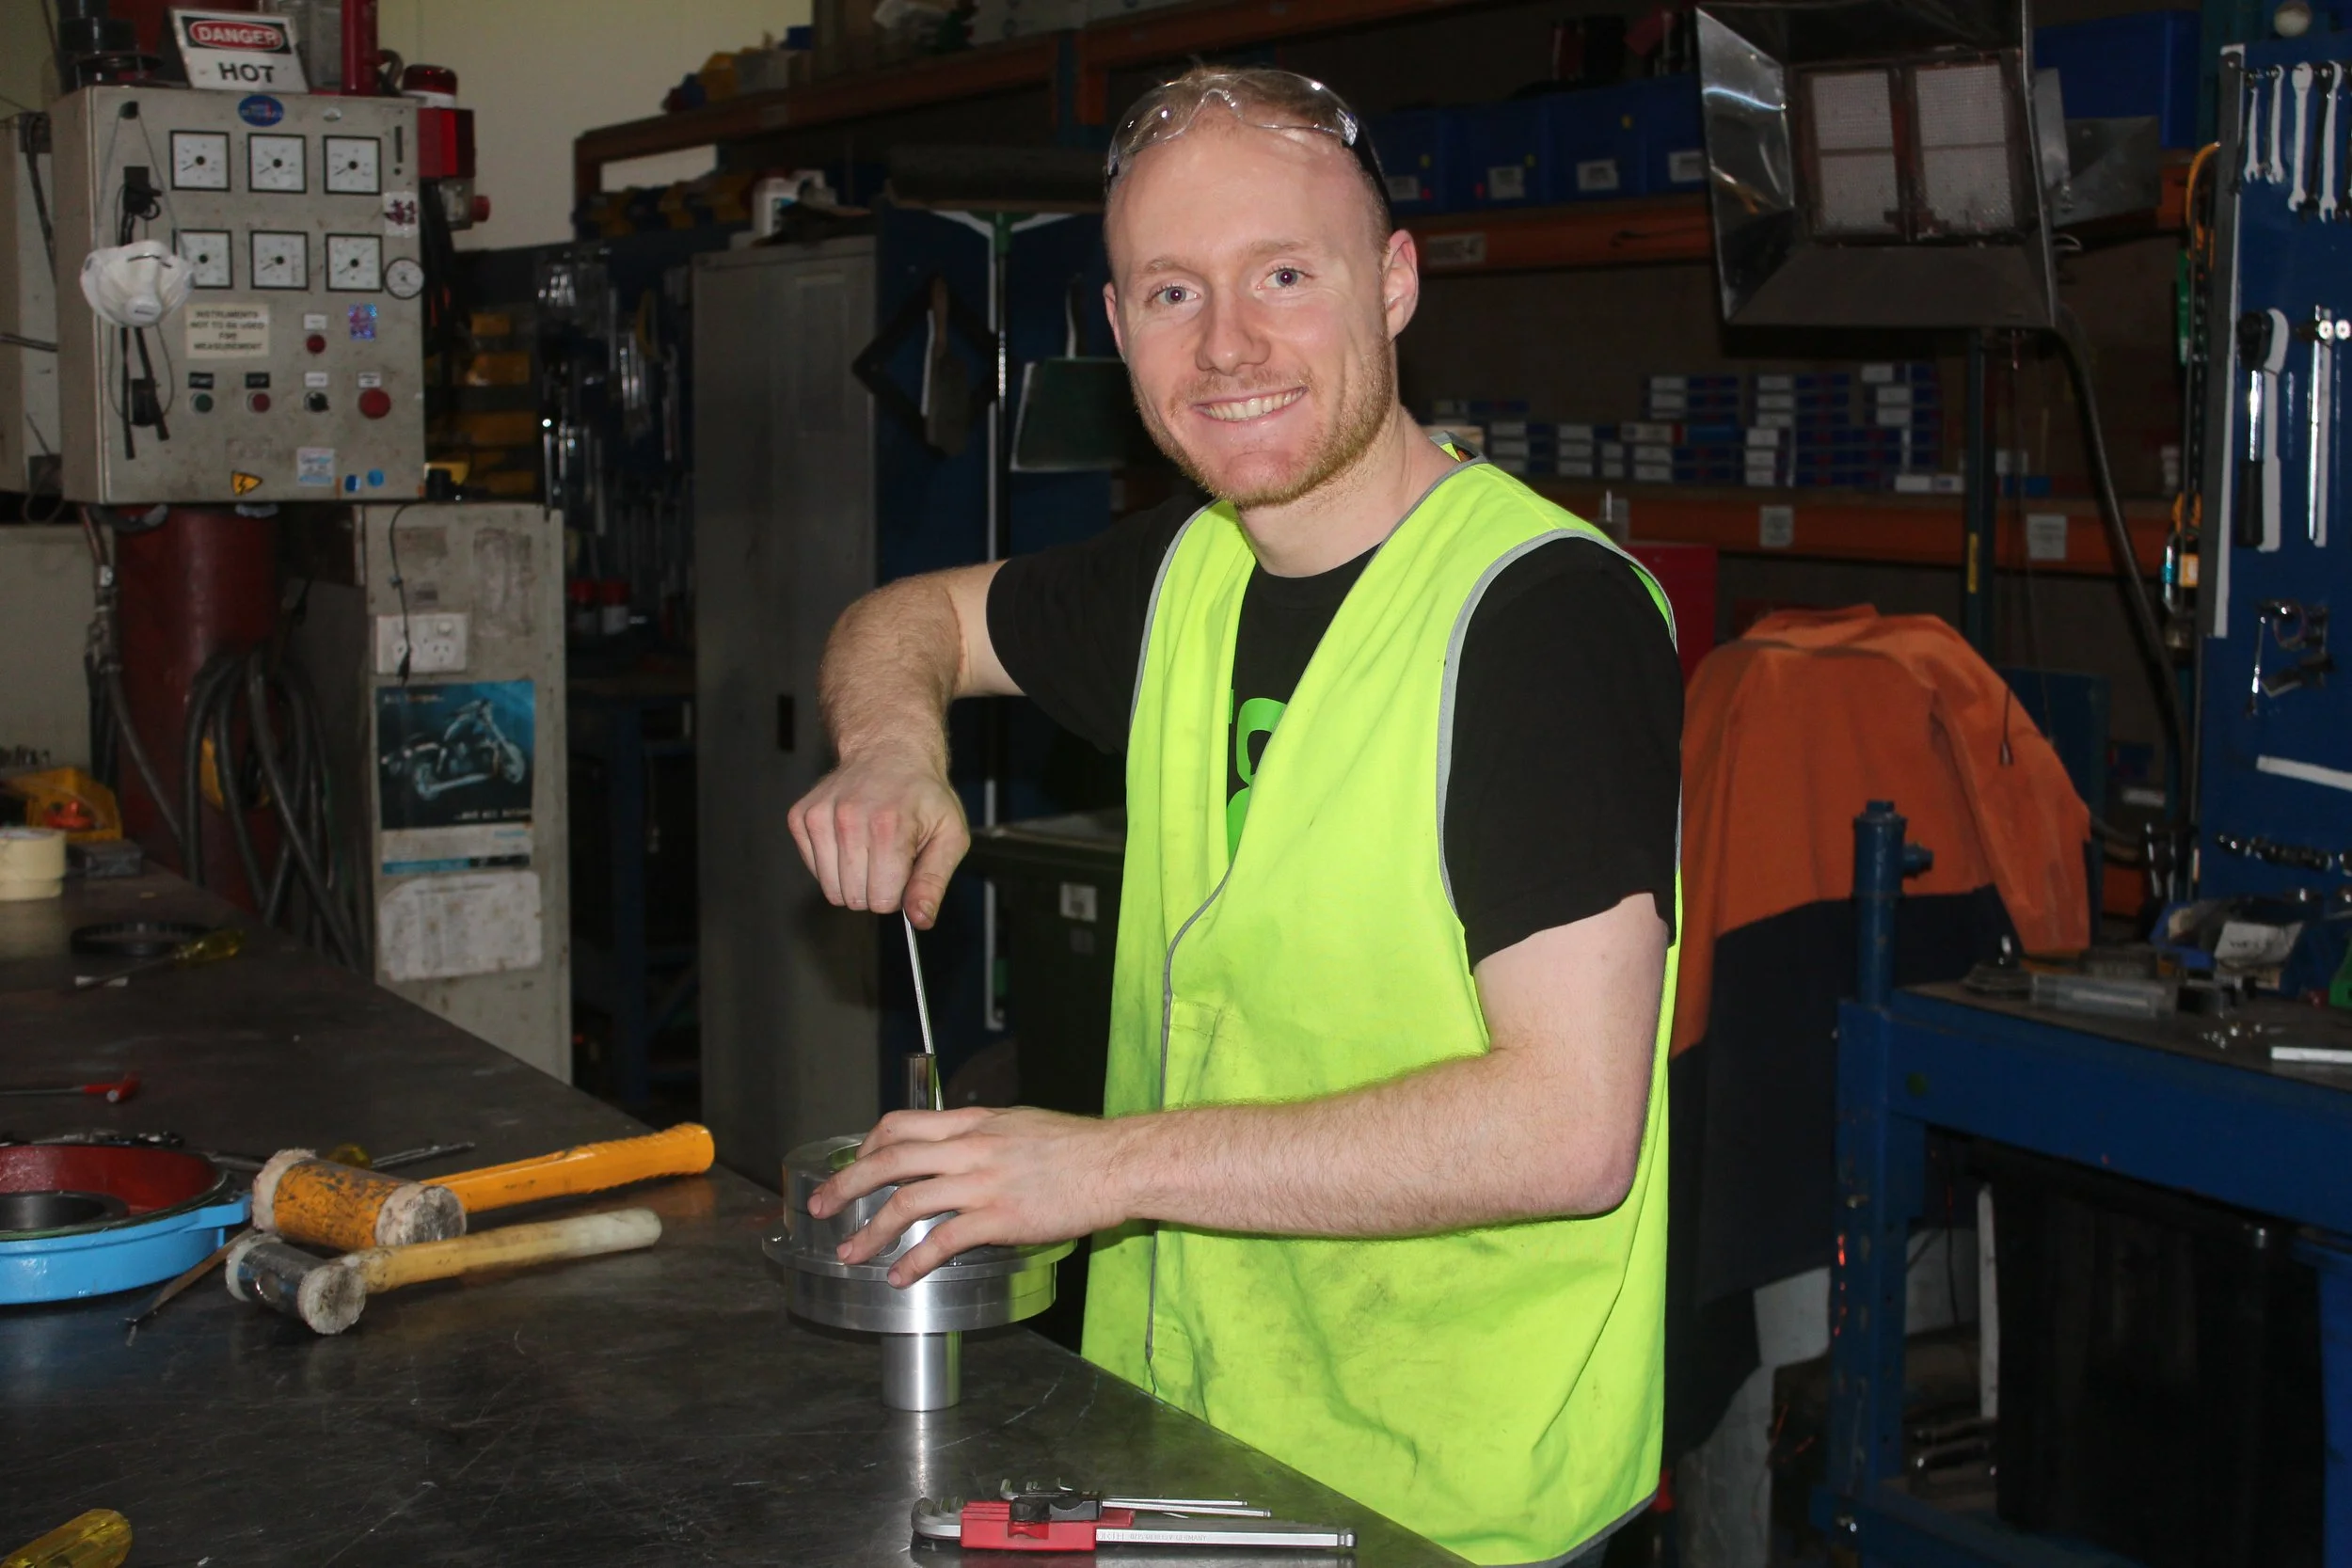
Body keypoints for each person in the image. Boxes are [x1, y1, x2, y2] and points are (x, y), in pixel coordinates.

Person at [788, 66, 1683, 1568]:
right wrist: (891, 752)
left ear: (1392, 284)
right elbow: (907, 621)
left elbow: (1570, 1127)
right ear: (1117, 324)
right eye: (1171, 292)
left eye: (1283, 275)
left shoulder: (1539, 621)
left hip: (1442, 1506)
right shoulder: (1185, 573)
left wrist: (1097, 1168)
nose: (1227, 346)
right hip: (1181, 1449)